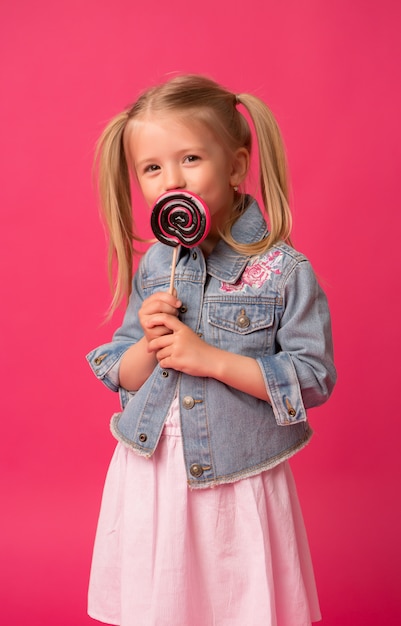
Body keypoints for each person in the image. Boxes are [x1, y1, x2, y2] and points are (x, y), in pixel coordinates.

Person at [86, 74, 336, 626]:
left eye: (191, 158)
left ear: (237, 165)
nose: (171, 179)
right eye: (152, 168)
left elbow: (313, 377)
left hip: (236, 475)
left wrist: (212, 361)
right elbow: (124, 372)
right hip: (152, 466)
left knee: (233, 603)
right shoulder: (155, 264)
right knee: (163, 604)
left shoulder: (281, 271)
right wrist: (150, 345)